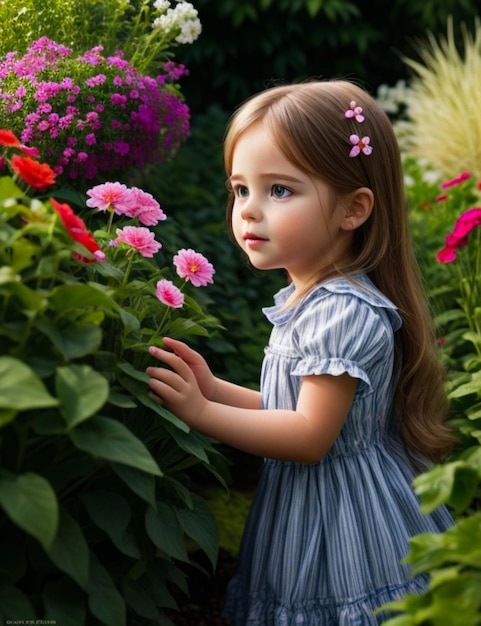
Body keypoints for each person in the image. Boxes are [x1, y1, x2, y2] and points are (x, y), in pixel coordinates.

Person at [146, 79, 456, 624]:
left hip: (342, 520)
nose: (248, 211)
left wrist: (202, 412)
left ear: (353, 209)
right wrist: (218, 391)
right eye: (240, 189)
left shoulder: (343, 311)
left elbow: (309, 436)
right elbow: (291, 409)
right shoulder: (310, 298)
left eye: (280, 190)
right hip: (312, 502)